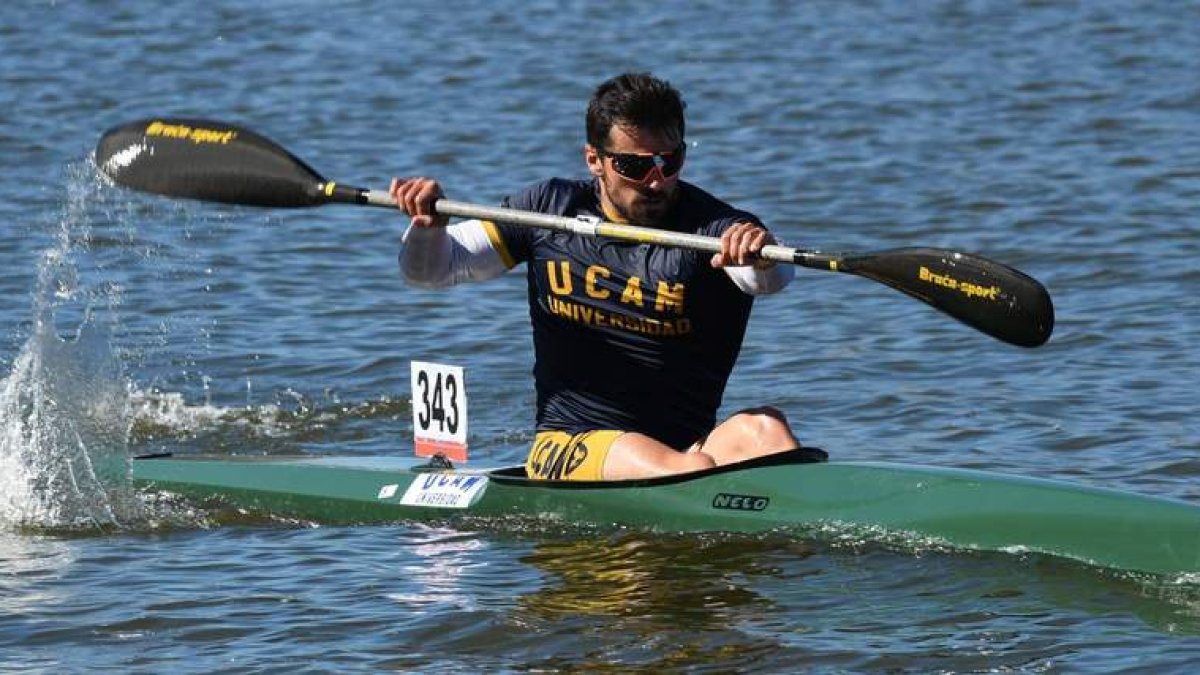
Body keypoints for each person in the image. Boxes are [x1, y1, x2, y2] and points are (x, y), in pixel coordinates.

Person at [391, 72, 800, 481]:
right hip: (568, 443)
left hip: (684, 448)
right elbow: (434, 272)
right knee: (686, 467)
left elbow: (770, 280)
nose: (656, 180)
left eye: (669, 161)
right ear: (594, 160)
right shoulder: (548, 208)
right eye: (632, 166)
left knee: (767, 431)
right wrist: (429, 228)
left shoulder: (714, 227)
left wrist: (760, 257)